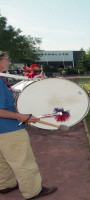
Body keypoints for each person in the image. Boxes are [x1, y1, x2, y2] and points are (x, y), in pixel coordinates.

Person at [0, 51, 57, 199]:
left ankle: (6, 185)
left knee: (2, 160)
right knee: (23, 161)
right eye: (7, 59)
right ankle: (33, 191)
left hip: (3, 129)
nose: (9, 62)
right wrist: (20, 116)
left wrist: (33, 80)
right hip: (8, 129)